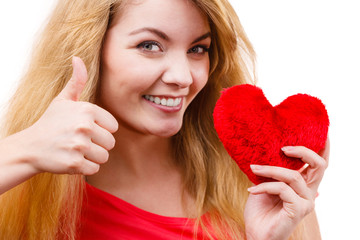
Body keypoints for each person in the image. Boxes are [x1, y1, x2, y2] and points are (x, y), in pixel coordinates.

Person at [0, 0, 329, 239]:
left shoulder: (255, 177)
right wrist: (24, 151)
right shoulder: (27, 179)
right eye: (150, 45)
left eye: (198, 49)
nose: (183, 76)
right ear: (91, 48)